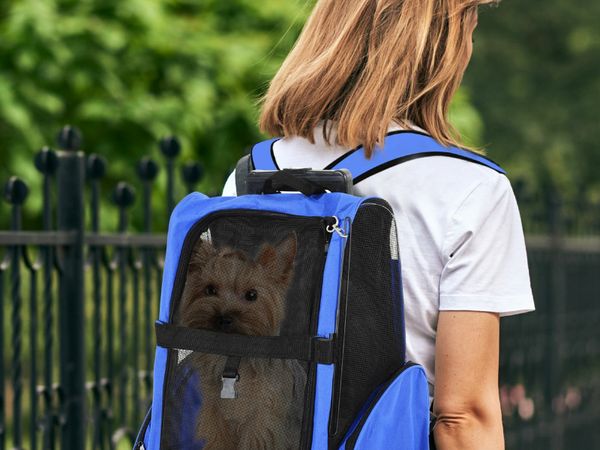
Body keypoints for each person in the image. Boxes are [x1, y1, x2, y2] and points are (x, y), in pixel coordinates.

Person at [223, 1, 535, 448]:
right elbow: (462, 417)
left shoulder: (249, 176)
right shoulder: (471, 186)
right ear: (439, 47)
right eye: (468, 30)